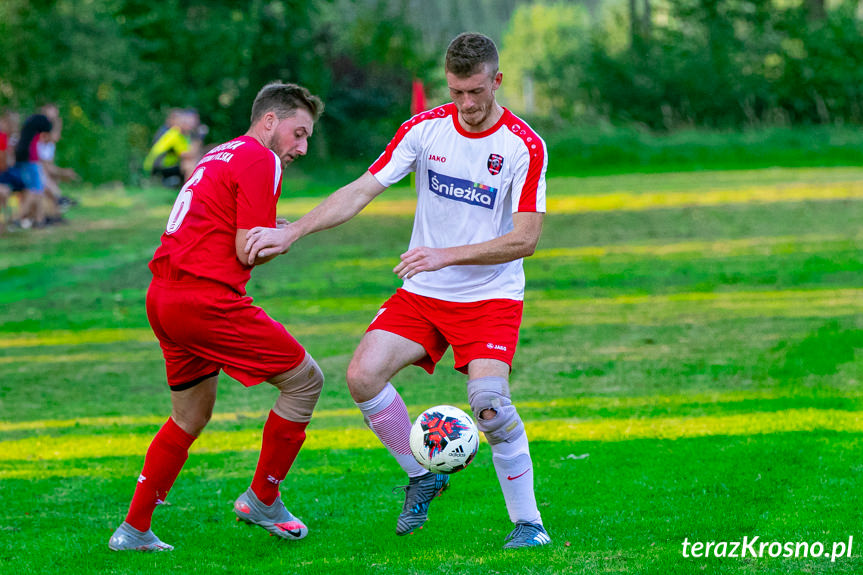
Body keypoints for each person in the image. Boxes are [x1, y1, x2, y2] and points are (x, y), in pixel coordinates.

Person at [244, 32, 551, 549]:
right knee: (362, 375)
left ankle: (529, 525)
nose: (468, 104)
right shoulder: (425, 130)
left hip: (490, 298)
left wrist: (445, 254)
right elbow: (362, 190)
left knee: (489, 404)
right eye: (457, 92)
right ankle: (424, 474)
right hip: (425, 293)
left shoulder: (523, 145)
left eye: (477, 91)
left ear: (496, 81)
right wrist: (292, 230)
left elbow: (526, 238)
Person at [109, 83, 325, 552]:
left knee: (190, 414)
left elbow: (220, 226)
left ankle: (133, 530)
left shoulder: (219, 153)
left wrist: (272, 230)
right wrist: (286, 238)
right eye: (298, 133)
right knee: (306, 381)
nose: (302, 147)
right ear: (270, 120)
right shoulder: (260, 158)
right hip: (205, 300)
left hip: (164, 297)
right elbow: (246, 249)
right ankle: (263, 498)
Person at [9, 104, 61, 228]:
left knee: (37, 189)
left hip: (24, 157)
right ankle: (17, 218)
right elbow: (54, 137)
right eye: (54, 111)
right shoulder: (41, 120)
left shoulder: (33, 120)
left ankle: (39, 220)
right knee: (34, 189)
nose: (55, 113)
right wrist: (57, 122)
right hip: (30, 157)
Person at [143, 108, 203, 187]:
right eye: (185, 122)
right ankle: (188, 190)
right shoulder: (174, 133)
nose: (188, 125)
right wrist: (199, 140)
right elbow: (186, 155)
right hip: (157, 167)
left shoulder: (183, 135)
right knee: (189, 165)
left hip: (163, 165)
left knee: (190, 163)